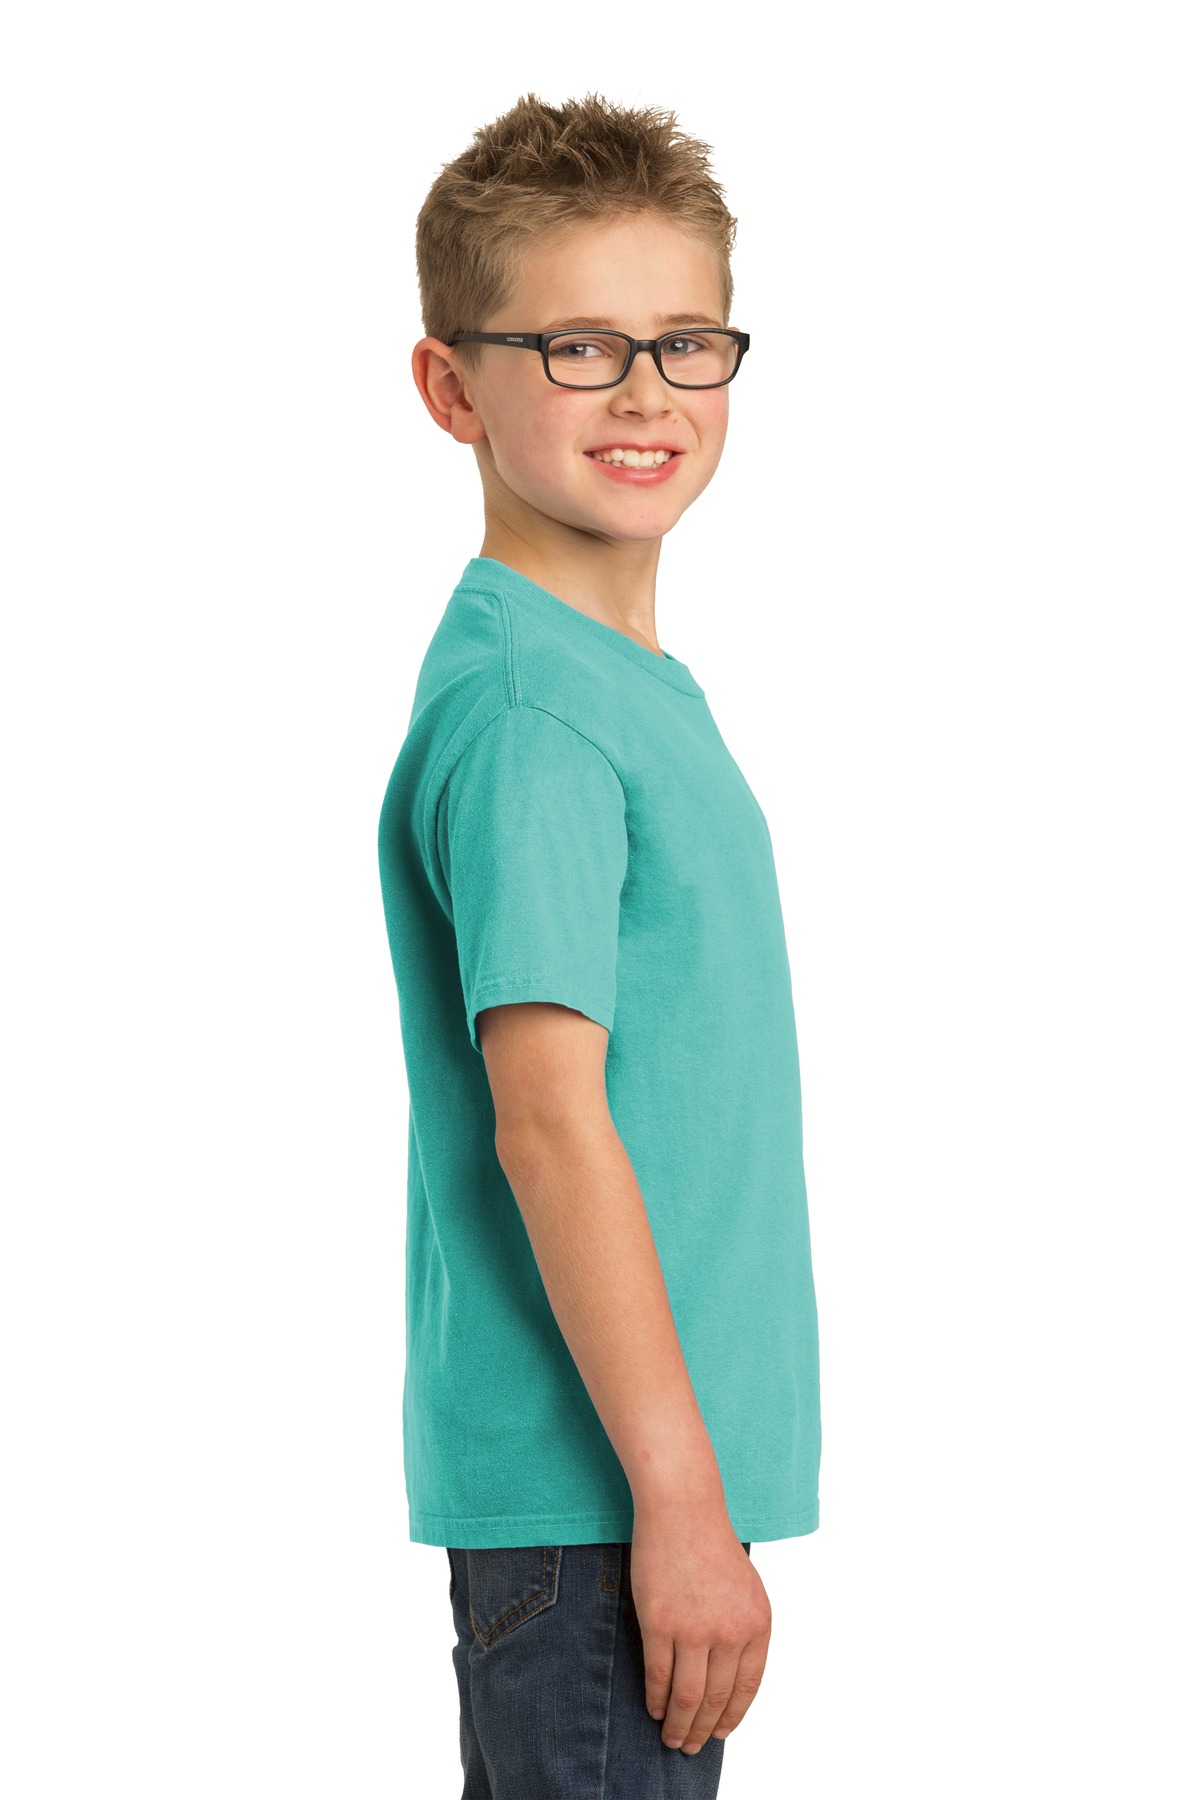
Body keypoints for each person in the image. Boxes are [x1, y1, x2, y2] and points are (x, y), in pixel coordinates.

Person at [377, 92, 822, 1798]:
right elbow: (550, 1120)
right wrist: (681, 1504)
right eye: (577, 347)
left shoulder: (606, 687)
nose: (646, 394)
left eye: (684, 341)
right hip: (606, 1512)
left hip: (611, 1507)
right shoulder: (535, 715)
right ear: (452, 388)